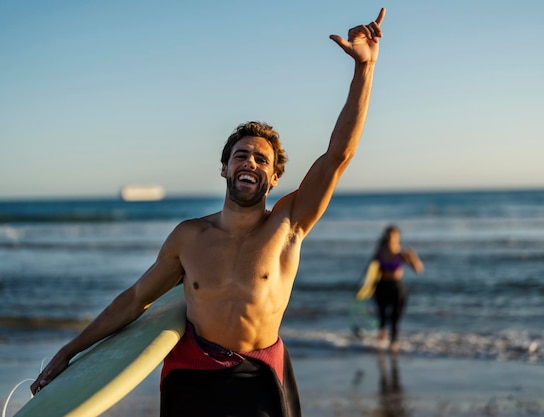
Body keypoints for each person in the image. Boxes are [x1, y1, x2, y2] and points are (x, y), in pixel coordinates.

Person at [30, 7, 386, 417]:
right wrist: (69, 353)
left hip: (258, 377)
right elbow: (134, 300)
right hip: (192, 377)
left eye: (261, 159)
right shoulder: (188, 237)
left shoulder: (288, 224)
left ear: (273, 178)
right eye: (241, 155)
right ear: (225, 168)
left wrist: (365, 68)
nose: (250, 162)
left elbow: (338, 156)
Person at [372, 225, 424, 354]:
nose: (391, 237)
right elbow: (371, 271)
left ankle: (393, 342)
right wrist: (364, 287)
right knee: (382, 316)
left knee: (396, 316)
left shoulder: (402, 253)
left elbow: (419, 270)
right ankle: (382, 339)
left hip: (396, 287)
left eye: (394, 235)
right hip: (381, 286)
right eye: (389, 235)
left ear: (398, 237)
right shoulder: (380, 252)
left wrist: (413, 257)